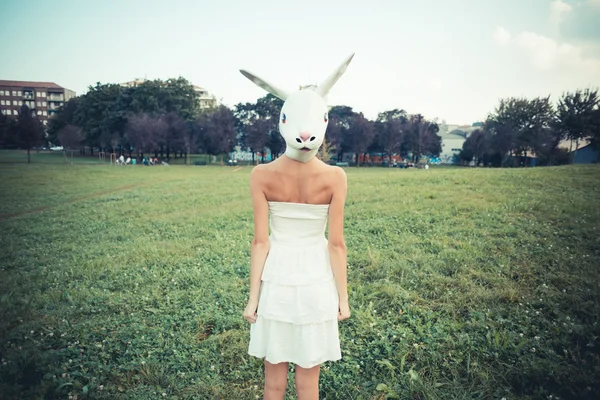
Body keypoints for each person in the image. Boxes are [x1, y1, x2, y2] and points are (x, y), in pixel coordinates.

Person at [240, 52, 355, 400]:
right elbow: (336, 244)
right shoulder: (335, 177)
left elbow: (261, 242)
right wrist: (343, 298)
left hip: (277, 280)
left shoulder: (261, 175)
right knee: (309, 385)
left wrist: (253, 299)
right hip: (317, 281)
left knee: (273, 384)